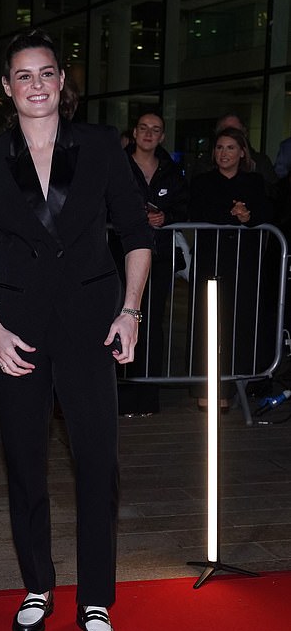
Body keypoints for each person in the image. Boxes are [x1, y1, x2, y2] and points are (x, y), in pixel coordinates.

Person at [0, 29, 152, 631]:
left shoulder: (97, 146)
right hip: (16, 327)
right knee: (24, 462)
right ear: (8, 86)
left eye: (46, 73)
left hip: (93, 323)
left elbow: (135, 232)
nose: (36, 85)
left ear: (62, 81)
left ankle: (96, 598)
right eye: (23, 75)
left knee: (98, 461)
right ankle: (37, 585)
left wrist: (130, 311)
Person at [188, 126, 272, 409]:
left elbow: (264, 212)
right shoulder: (202, 182)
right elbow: (196, 212)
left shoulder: (254, 181)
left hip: (244, 264)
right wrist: (231, 214)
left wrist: (247, 215)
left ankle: (237, 384)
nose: (224, 153)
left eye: (231, 148)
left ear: (242, 153)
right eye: (220, 147)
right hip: (211, 260)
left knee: (240, 322)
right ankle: (207, 389)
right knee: (208, 321)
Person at [117, 111, 188, 416]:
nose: (148, 133)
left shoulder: (172, 171)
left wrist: (166, 217)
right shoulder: (117, 164)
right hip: (119, 257)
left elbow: (186, 207)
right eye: (143, 128)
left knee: (152, 323)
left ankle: (148, 396)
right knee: (118, 321)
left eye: (155, 129)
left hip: (158, 258)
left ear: (161, 136)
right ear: (134, 132)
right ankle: (119, 394)